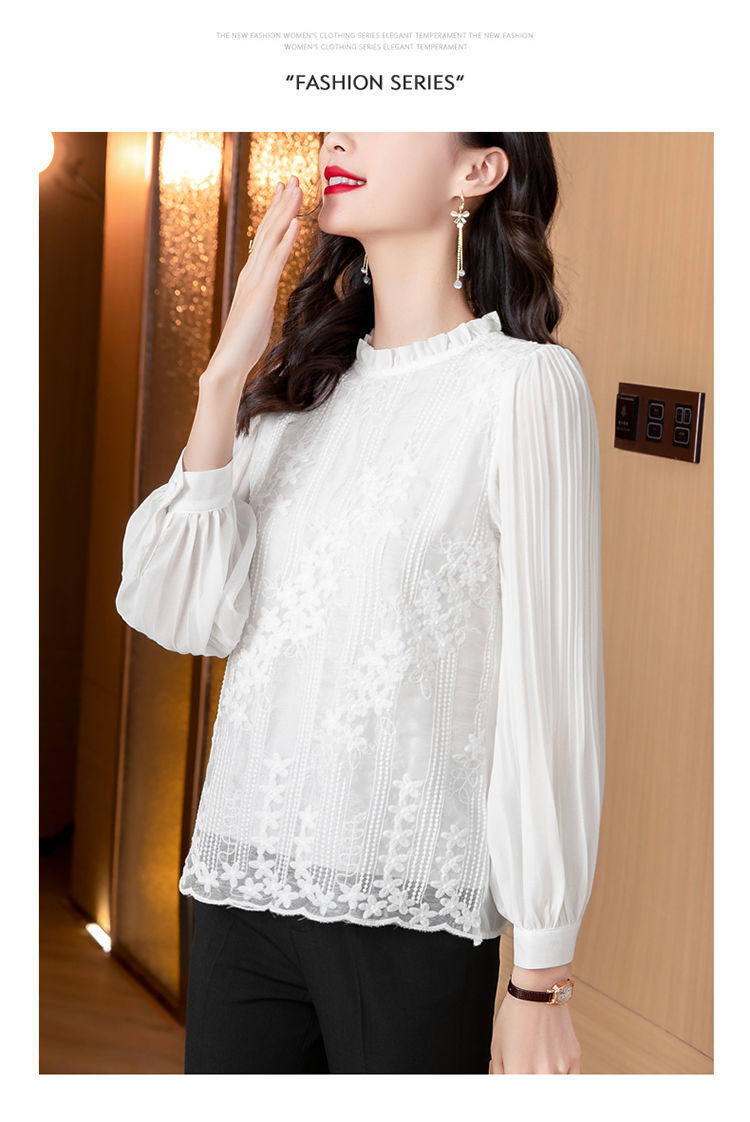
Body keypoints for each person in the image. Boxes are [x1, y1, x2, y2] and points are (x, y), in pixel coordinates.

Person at [115, 132, 606, 1074]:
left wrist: (541, 975)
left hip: (409, 914)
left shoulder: (524, 389)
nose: (339, 132)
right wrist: (223, 380)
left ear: (477, 171)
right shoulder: (300, 393)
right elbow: (180, 611)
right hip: (237, 885)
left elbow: (552, 693)